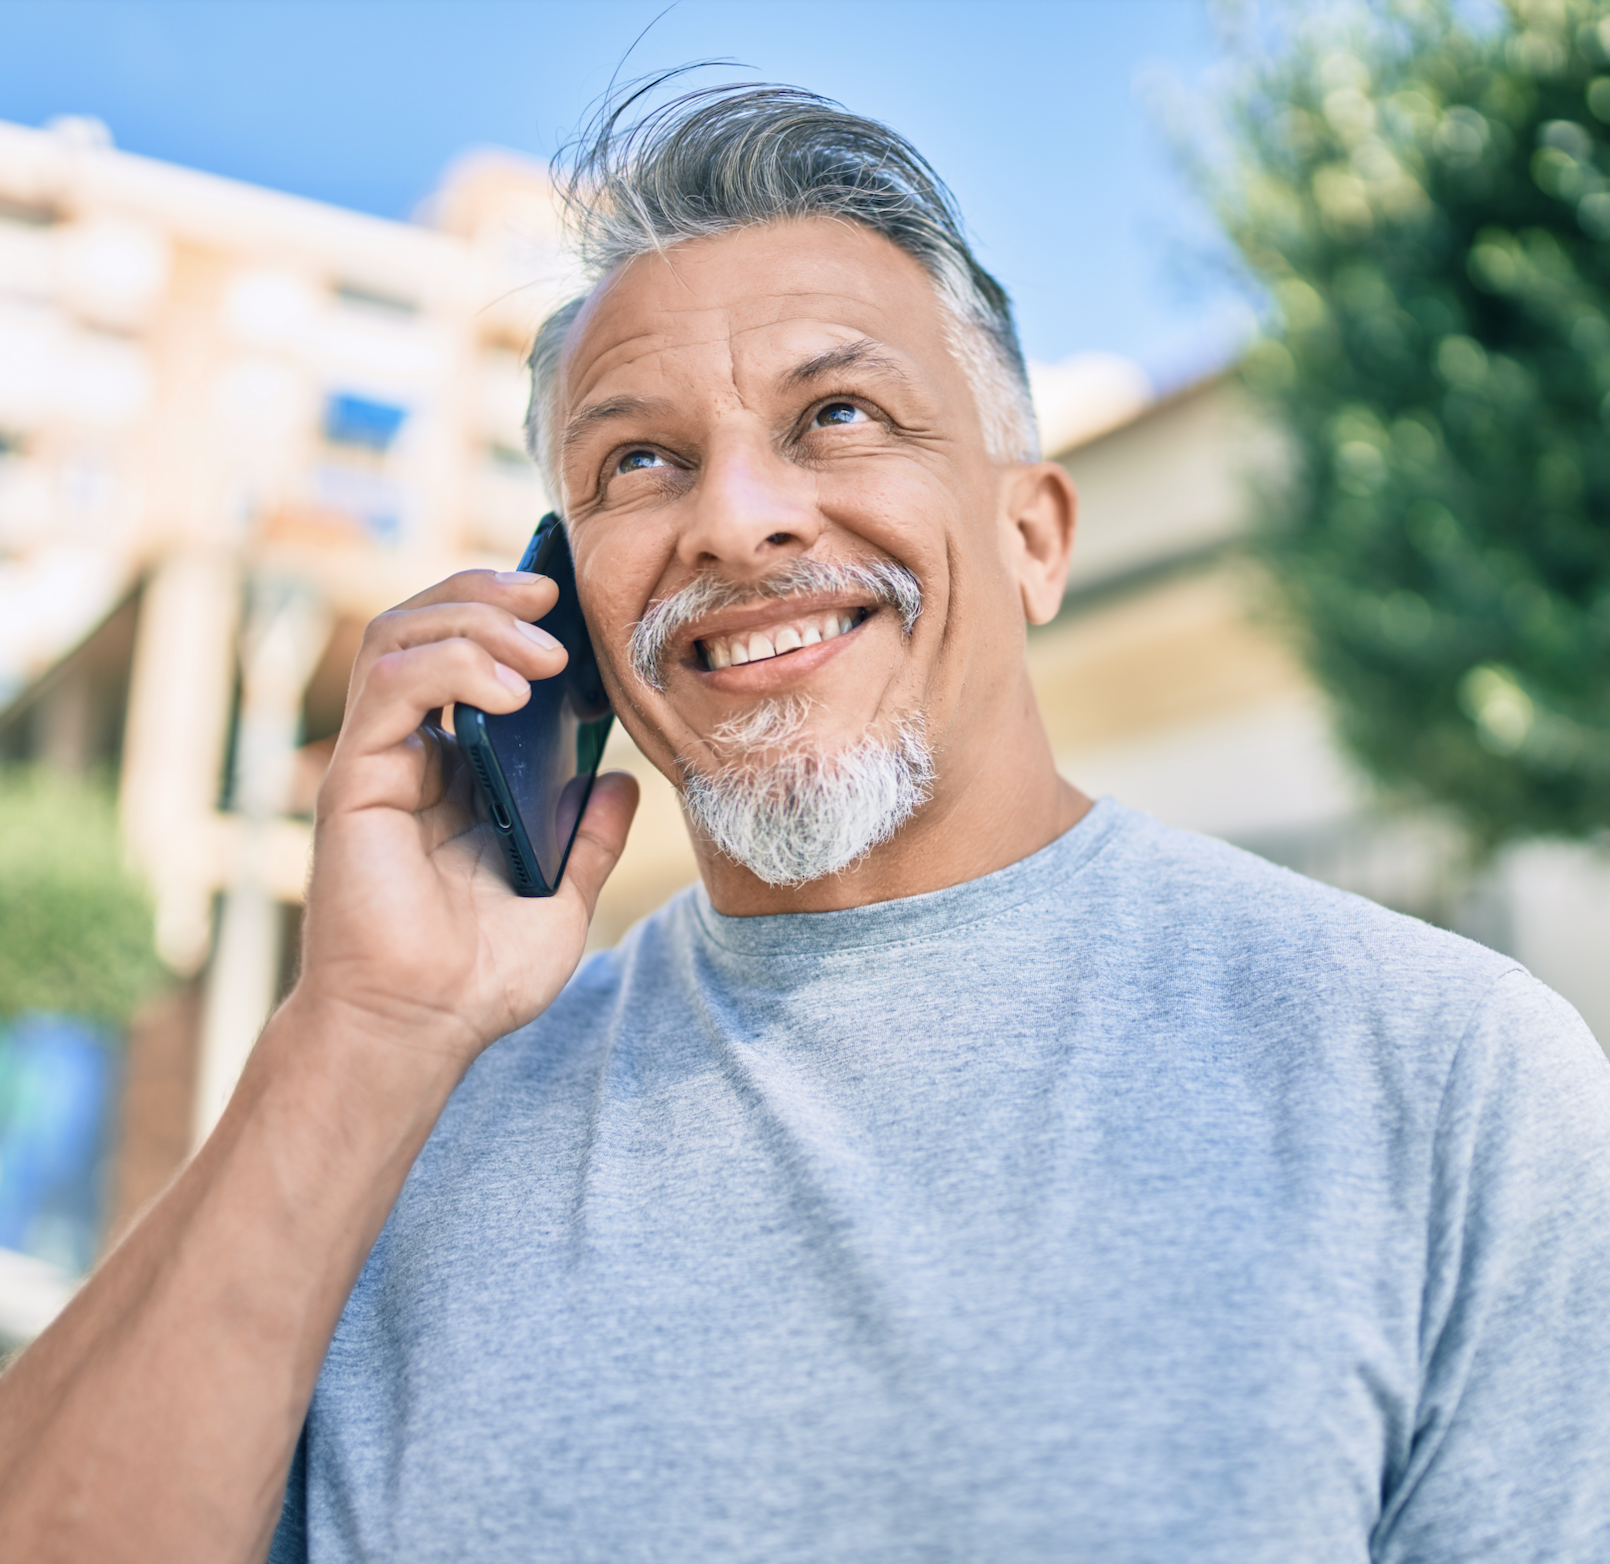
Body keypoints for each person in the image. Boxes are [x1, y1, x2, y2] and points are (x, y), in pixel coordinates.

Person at [3, 82, 1610, 1564]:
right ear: (565, 601)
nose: (736, 515)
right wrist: (358, 1033)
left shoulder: (1439, 1073)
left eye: (838, 415)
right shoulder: (388, 1126)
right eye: (638, 460)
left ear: (1033, 535)